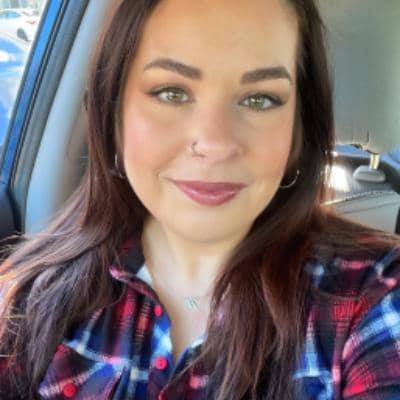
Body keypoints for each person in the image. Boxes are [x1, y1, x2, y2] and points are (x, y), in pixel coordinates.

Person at [0, 0, 399, 399]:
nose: (215, 143)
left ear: (298, 130)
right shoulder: (30, 299)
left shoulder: (377, 295)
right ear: (114, 115)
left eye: (259, 99)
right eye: (171, 92)